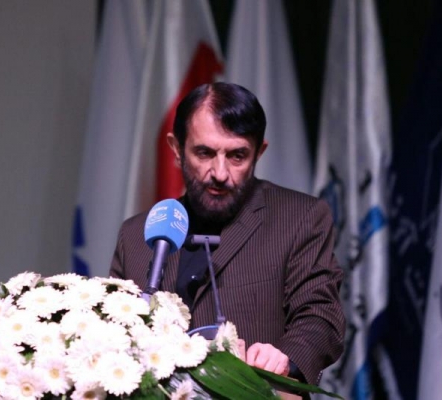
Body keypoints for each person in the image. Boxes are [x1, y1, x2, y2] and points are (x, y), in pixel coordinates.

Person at [109, 82, 345, 386]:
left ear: (259, 153)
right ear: (177, 149)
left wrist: (285, 357)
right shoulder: (135, 235)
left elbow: (322, 316)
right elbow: (112, 329)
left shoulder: (300, 218)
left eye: (237, 156)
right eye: (204, 153)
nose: (220, 173)